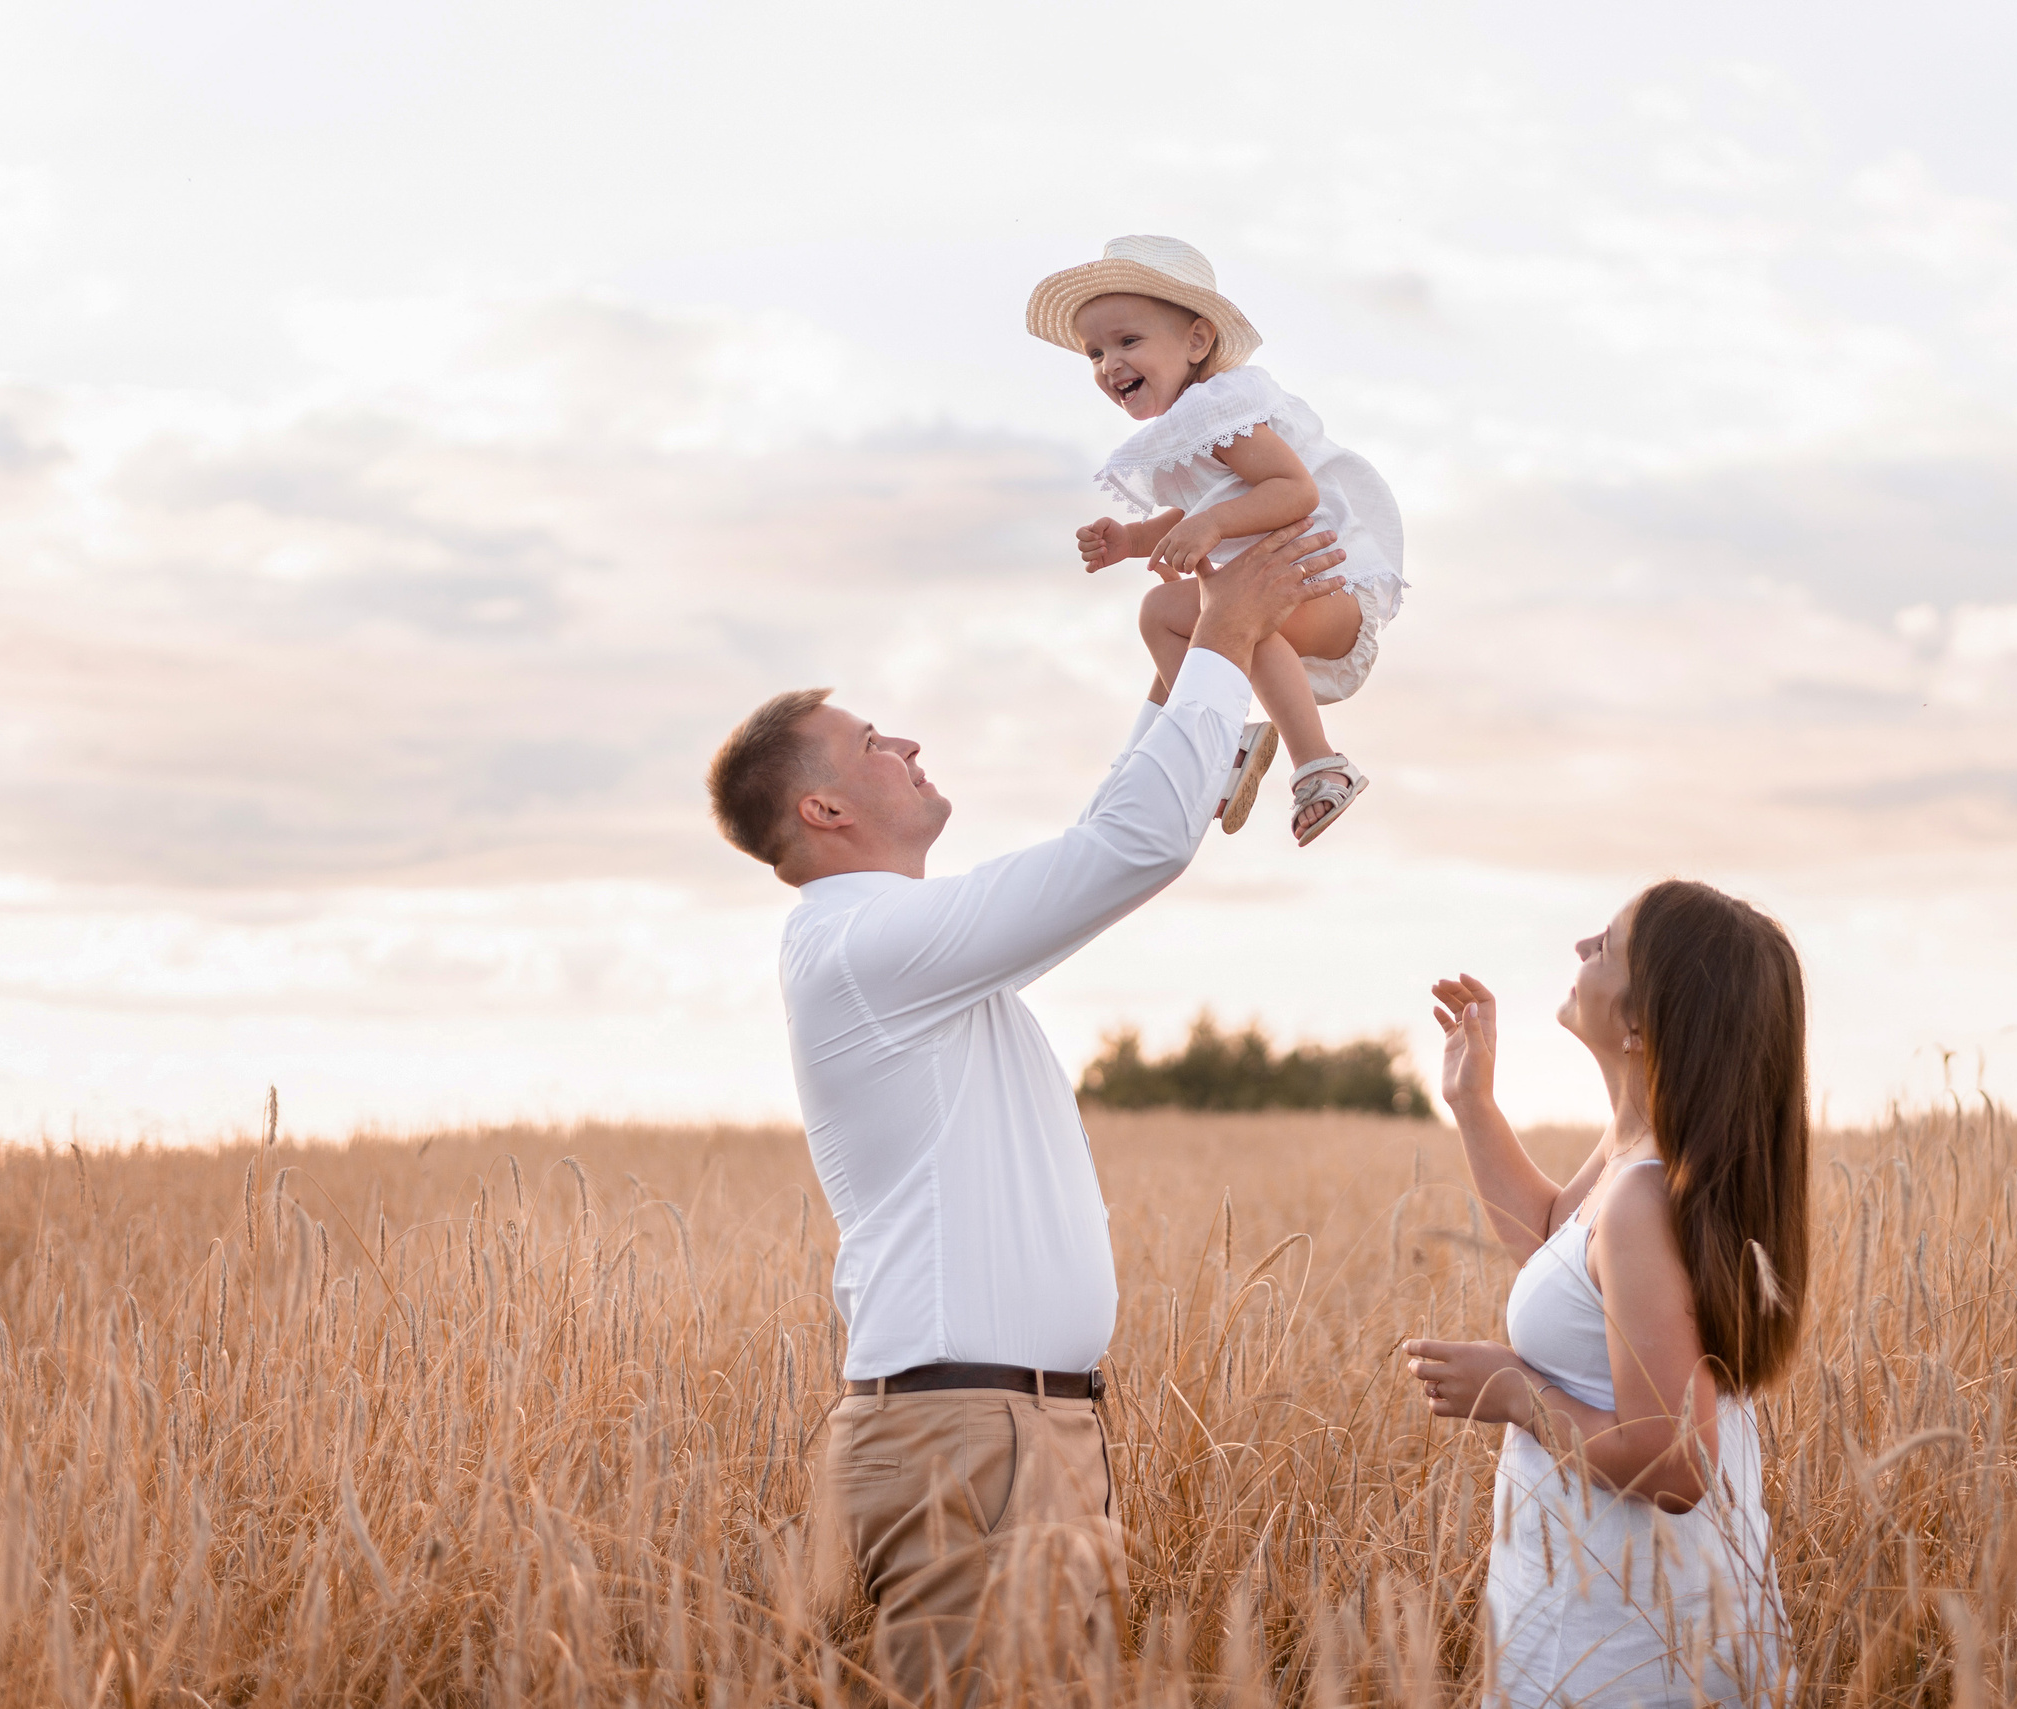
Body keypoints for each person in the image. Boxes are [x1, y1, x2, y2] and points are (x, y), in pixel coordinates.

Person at [704, 520, 1349, 1703]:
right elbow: (1128, 847)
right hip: (975, 1435)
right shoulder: (866, 944)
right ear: (825, 809)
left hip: (1001, 1430)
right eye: (870, 741)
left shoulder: (894, 950)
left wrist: (1178, 683)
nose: (906, 742)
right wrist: (1220, 634)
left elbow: (1101, 843)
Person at [1403, 881, 1809, 1707]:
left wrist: (1516, 1393)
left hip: (1629, 1658)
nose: (1583, 945)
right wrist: (1473, 1102)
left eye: (1610, 944)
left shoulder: (1640, 1198)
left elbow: (1674, 1460)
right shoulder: (1638, 1158)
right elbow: (1555, 1239)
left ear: (1640, 1025)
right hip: (1628, 1626)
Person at [1027, 235, 1407, 846]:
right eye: (1094, 352)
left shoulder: (1224, 407)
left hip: (1331, 586)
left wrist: (1213, 526)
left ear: (1197, 341)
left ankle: (1300, 759)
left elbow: (1295, 490)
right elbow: (1199, 508)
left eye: (1128, 341)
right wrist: (1131, 539)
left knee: (1184, 610)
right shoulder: (1193, 427)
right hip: (1290, 596)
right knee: (1195, 615)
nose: (1109, 364)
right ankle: (1238, 747)